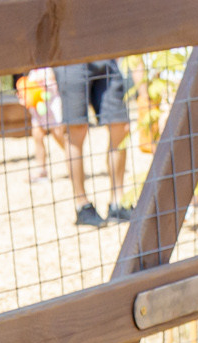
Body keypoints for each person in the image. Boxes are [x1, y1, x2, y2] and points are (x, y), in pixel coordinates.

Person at [57, 59, 133, 227]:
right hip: (70, 57)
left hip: (105, 54)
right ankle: (82, 205)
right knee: (76, 130)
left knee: (120, 126)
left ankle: (117, 203)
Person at [21, 66, 59, 183]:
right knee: (37, 135)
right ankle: (41, 170)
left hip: (52, 106)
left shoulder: (50, 67)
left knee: (59, 135)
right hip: (38, 109)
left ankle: (72, 160)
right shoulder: (33, 69)